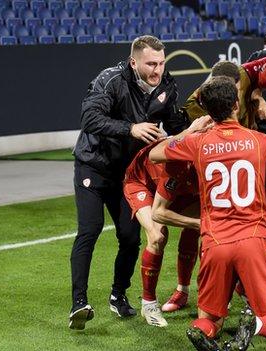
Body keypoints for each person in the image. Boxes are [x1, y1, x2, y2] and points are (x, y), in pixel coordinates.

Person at [149, 76, 266, 349]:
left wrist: (190, 132)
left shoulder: (198, 143)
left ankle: (200, 331)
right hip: (254, 239)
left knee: (211, 320)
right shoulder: (261, 142)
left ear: (208, 110)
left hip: (214, 242)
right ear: (235, 105)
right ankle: (255, 324)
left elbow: (155, 154)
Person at [68, 35, 189, 330]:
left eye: (161, 63)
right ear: (134, 62)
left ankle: (118, 295)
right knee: (90, 229)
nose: (157, 70)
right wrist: (131, 128)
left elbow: (174, 125)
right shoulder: (110, 80)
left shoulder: (166, 85)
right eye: (151, 63)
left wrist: (192, 133)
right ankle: (79, 302)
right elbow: (89, 118)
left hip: (129, 174)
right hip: (93, 167)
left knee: (131, 237)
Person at [122, 116, 210, 327]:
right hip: (142, 183)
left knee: (197, 222)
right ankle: (148, 303)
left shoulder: (212, 156)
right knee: (158, 236)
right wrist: (199, 224)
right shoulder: (178, 163)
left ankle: (182, 291)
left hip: (180, 187)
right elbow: (158, 213)